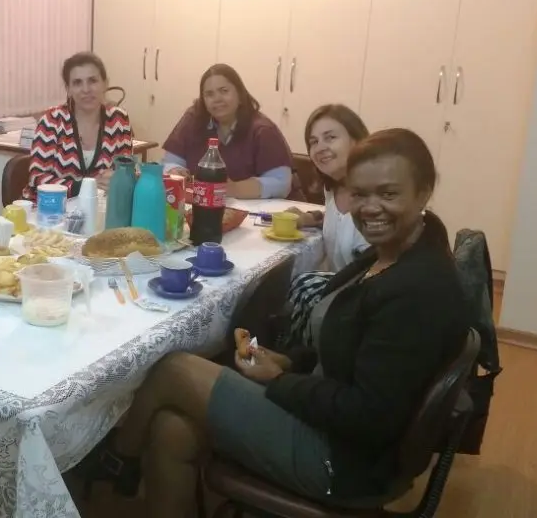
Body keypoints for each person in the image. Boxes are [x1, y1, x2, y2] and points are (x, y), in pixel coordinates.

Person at [77, 128, 468, 517]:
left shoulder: (418, 289)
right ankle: (122, 465)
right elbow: (345, 348)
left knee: (174, 367)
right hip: (334, 424)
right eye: (360, 194)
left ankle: (114, 459)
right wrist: (287, 362)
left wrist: (280, 382)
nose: (370, 207)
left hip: (345, 460)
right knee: (170, 430)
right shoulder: (393, 254)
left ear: (424, 191)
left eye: (388, 194)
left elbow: (368, 417)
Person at [278, 104, 371, 349]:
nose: (320, 148)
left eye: (330, 137)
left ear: (357, 139)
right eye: (314, 141)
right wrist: (313, 219)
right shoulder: (333, 188)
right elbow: (341, 223)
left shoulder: (374, 197)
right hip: (341, 296)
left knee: (300, 285)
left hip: (363, 312)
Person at [162, 64, 292, 199]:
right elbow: (170, 162)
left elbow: (281, 183)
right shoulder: (194, 118)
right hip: (200, 204)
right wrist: (175, 171)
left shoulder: (262, 130)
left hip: (254, 211)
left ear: (240, 95)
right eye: (209, 94)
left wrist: (234, 189)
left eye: (224, 91)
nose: (217, 99)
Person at [22, 52, 133, 200]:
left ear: (105, 84)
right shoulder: (52, 121)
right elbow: (37, 179)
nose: (86, 89)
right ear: (68, 89)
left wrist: (118, 179)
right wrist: (88, 186)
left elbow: (127, 171)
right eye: (77, 83)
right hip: (50, 211)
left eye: (92, 80)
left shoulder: (119, 120)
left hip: (99, 209)